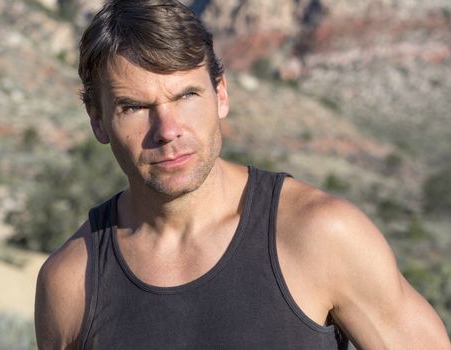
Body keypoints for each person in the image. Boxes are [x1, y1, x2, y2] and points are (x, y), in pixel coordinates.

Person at [34, 0, 451, 349]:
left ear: (221, 95)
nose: (168, 130)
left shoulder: (319, 234)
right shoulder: (70, 283)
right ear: (98, 121)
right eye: (135, 108)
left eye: (187, 96)